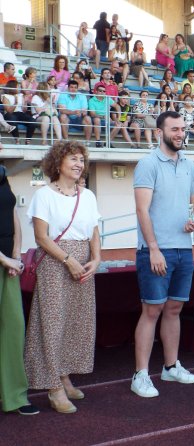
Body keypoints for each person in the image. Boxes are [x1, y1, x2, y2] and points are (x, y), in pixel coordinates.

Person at [25, 140, 101, 413]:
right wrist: (68, 260)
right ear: (58, 163)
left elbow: (93, 230)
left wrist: (96, 258)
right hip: (56, 262)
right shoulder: (44, 195)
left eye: (82, 159)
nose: (79, 164)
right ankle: (53, 387)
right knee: (53, 323)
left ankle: (64, 374)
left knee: (75, 321)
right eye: (73, 159)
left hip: (83, 261)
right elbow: (41, 237)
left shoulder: (88, 195)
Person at [131, 110, 194, 398]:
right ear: (160, 132)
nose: (180, 133)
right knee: (152, 311)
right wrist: (154, 249)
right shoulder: (147, 164)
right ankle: (140, 375)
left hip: (184, 249)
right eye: (174, 129)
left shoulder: (191, 165)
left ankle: (170, 367)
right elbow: (141, 210)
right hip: (156, 251)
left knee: (174, 309)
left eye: (182, 129)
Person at [0, 165, 40, 416]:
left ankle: (14, 396)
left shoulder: (3, 173)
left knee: (14, 330)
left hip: (9, 265)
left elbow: (13, 213)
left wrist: (16, 255)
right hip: (4, 262)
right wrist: (4, 260)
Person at [2, 80, 35, 144]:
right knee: (12, 120)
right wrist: (15, 102)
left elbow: (24, 110)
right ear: (13, 87)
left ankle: (28, 140)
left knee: (32, 121)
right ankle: (17, 139)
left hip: (20, 113)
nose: (19, 88)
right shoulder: (5, 96)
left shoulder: (21, 95)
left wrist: (25, 102)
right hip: (10, 114)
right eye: (17, 86)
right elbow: (9, 111)